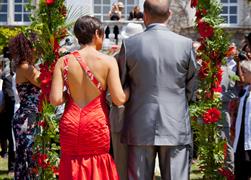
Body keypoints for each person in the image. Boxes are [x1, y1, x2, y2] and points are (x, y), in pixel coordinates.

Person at [117, 0, 198, 179]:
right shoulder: (185, 44)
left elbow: (121, 83)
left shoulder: (130, 45)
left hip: (139, 123)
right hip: (175, 122)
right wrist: (180, 100)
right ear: (169, 14)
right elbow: (192, 84)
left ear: (145, 15)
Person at [50, 15, 129, 180]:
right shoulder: (108, 61)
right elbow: (118, 99)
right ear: (97, 34)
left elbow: (55, 100)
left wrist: (68, 94)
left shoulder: (63, 61)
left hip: (71, 121)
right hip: (96, 123)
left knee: (71, 162)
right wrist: (131, 90)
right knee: (97, 164)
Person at [109, 22, 143, 180]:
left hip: (141, 119)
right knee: (121, 167)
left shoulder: (146, 59)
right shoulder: (114, 60)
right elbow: (109, 94)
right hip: (121, 117)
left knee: (141, 167)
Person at [9, 32, 40, 179]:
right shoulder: (26, 67)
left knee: (26, 159)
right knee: (28, 159)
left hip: (27, 116)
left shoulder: (24, 65)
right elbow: (44, 82)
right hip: (27, 118)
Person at [233, 60, 251, 180]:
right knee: (240, 172)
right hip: (241, 139)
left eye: (244, 72)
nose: (241, 75)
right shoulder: (245, 90)